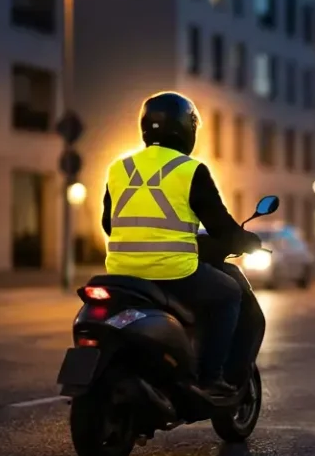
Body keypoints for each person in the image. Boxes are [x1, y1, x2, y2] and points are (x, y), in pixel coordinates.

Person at [100, 91, 260, 397]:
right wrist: (247, 240)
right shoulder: (189, 170)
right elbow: (220, 227)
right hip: (174, 273)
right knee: (229, 294)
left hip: (122, 274)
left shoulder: (118, 168)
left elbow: (109, 224)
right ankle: (211, 377)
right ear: (188, 129)